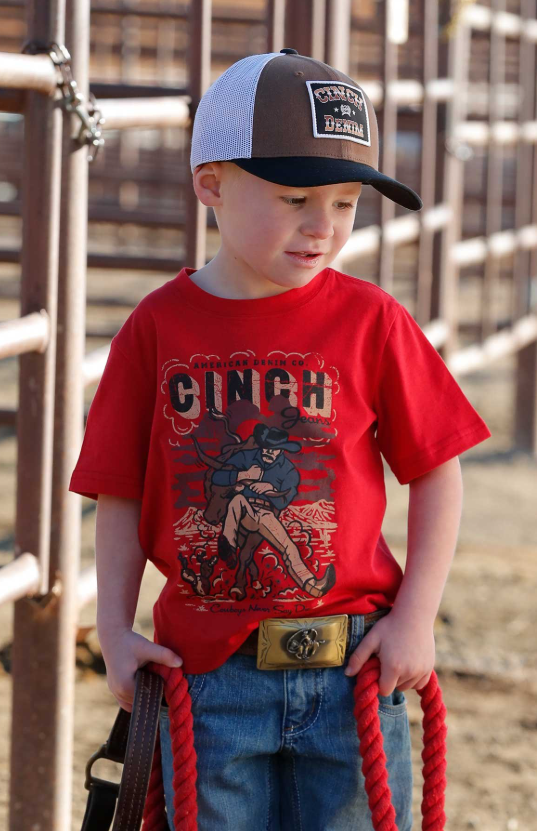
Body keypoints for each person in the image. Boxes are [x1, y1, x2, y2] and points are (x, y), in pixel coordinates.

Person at [69, 49, 491, 831]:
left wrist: (415, 616)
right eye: (294, 197)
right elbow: (118, 490)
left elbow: (437, 468)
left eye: (344, 202)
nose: (321, 226)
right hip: (206, 675)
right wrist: (116, 630)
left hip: (351, 666)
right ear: (211, 185)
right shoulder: (154, 329)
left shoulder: (372, 321)